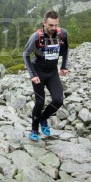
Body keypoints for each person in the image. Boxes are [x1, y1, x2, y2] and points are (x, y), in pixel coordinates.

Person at [23, 10, 69, 142]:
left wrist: (64, 66)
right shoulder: (36, 36)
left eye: (56, 25)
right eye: (51, 25)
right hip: (38, 72)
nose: (54, 28)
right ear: (44, 23)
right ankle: (34, 129)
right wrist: (32, 74)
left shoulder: (62, 33)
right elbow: (26, 54)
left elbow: (66, 50)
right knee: (40, 101)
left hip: (53, 72)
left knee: (58, 100)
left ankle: (43, 118)